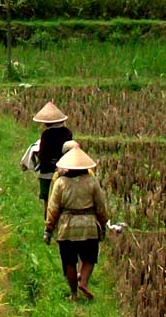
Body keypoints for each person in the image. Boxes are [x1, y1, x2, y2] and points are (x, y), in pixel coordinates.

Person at [44, 146, 109, 301]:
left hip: (67, 227)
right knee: (89, 258)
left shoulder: (60, 183)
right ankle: (84, 282)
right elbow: (100, 206)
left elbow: (53, 208)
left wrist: (49, 229)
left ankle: (74, 294)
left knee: (69, 262)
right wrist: (103, 222)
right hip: (88, 226)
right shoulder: (92, 182)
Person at [33, 101, 73, 218]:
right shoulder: (67, 133)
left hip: (47, 173)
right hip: (64, 171)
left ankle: (48, 223)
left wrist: (38, 156)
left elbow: (43, 154)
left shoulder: (46, 135)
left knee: (48, 200)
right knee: (63, 200)